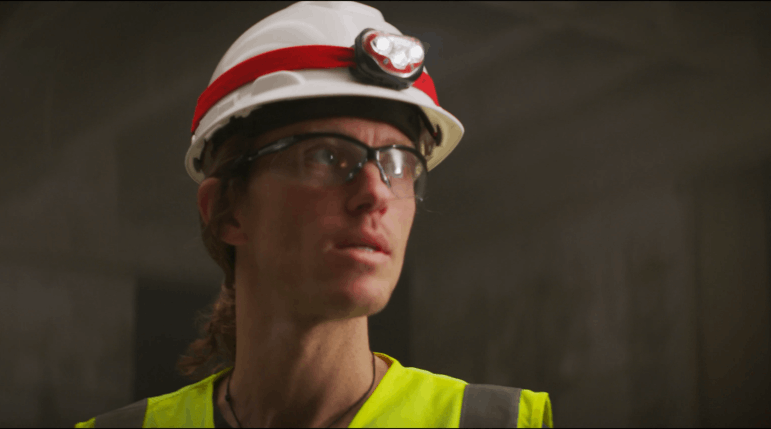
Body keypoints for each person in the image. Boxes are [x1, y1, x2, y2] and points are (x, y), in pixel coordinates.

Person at [77, 1, 552, 427]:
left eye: (398, 163)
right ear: (227, 211)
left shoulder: (496, 423)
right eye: (325, 156)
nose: (375, 193)